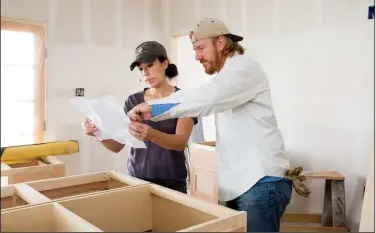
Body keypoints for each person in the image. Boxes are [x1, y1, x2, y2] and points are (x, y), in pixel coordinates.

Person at [127, 18, 293, 232]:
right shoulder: (226, 78)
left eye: (200, 48)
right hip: (240, 186)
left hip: (259, 182)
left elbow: (206, 98)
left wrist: (153, 108)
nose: (196, 56)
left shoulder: (244, 67)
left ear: (221, 43)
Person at [82, 41, 197, 194]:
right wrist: (97, 133)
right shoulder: (133, 101)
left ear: (164, 64)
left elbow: (180, 142)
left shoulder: (183, 99)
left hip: (172, 181)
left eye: (149, 65)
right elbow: (118, 146)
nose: (145, 73)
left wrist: (153, 135)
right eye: (141, 68)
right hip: (137, 179)